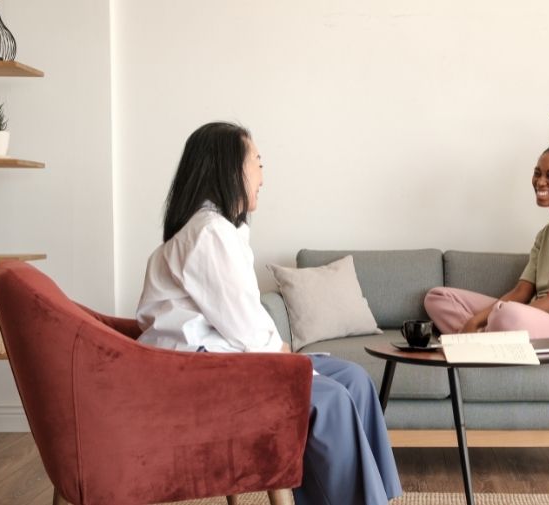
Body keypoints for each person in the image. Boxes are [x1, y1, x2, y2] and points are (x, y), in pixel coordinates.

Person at [136, 122, 402, 505]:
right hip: (202, 373)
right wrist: (288, 359)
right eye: (257, 162)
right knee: (331, 399)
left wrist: (286, 355)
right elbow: (246, 328)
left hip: (226, 359)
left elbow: (242, 317)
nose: (263, 175)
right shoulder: (208, 235)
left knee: (355, 380)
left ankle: (370, 497)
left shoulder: (219, 231)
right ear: (231, 171)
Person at [424, 128, 549, 342]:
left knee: (507, 314)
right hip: (534, 319)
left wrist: (496, 317)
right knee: (438, 297)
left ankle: (481, 340)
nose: (540, 182)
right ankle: (486, 340)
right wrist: (475, 320)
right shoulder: (545, 235)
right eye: (537, 173)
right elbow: (521, 293)